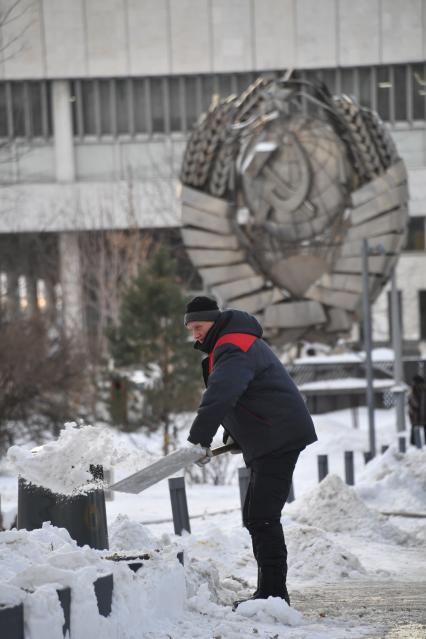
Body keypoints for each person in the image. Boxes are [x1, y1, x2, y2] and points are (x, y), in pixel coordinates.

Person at [184, 295, 317, 609]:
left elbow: (221, 395)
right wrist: (234, 433)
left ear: (214, 321)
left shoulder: (233, 345)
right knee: (258, 516)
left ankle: (273, 596)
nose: (195, 335)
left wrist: (197, 440)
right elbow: (245, 394)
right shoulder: (233, 343)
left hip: (277, 437)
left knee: (262, 517)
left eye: (198, 327)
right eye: (190, 329)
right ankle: (269, 593)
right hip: (272, 436)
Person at [408, 374, 426, 446]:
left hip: (417, 413)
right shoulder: (413, 390)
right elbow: (412, 401)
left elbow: (412, 401)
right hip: (418, 413)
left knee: (414, 427)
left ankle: (413, 443)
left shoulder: (415, 390)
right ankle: (414, 443)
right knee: (415, 428)